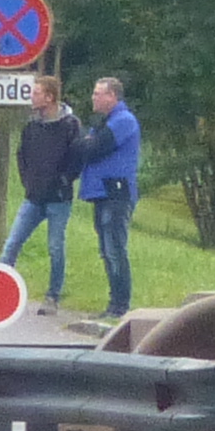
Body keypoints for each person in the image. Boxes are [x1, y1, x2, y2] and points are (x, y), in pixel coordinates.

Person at [0, 71, 88, 309]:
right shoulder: (32, 126)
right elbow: (22, 155)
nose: (31, 97)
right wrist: (28, 181)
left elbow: (77, 157)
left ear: (49, 97)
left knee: (55, 247)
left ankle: (53, 296)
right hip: (34, 197)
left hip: (58, 199)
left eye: (36, 93)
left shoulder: (70, 125)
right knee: (12, 243)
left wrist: (64, 181)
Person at [73, 73, 144, 324]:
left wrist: (87, 142)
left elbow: (94, 148)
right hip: (102, 192)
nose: (93, 97)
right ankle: (114, 303)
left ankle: (120, 305)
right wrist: (86, 143)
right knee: (106, 250)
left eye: (97, 93)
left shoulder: (124, 120)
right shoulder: (104, 122)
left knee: (115, 249)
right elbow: (83, 147)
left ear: (111, 96)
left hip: (116, 193)